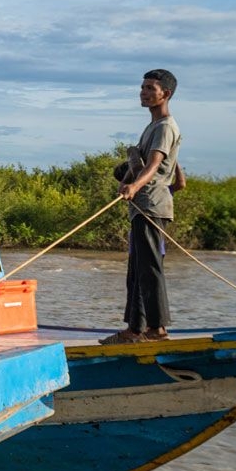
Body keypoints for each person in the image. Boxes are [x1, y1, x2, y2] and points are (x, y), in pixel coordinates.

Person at [102, 69, 182, 345]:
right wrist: (127, 181)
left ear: (165, 94)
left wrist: (134, 186)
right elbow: (173, 174)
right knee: (136, 270)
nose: (144, 92)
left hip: (150, 206)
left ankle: (157, 328)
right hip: (143, 206)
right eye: (143, 87)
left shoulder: (165, 127)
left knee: (149, 269)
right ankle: (135, 329)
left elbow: (154, 164)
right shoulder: (153, 127)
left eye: (150, 88)